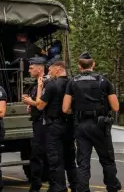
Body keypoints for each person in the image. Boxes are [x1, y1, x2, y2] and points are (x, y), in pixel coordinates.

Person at [62, 51, 122, 192]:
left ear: (79, 66)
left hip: (81, 125)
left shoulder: (72, 82)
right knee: (107, 159)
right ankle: (112, 187)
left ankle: (82, 189)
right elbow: (115, 106)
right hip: (100, 125)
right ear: (93, 64)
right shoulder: (103, 81)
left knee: (83, 163)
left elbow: (65, 108)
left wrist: (77, 111)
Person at [35, 61, 70, 192]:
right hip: (69, 125)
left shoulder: (51, 85)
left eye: (50, 70)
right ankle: (75, 186)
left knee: (54, 158)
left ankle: (58, 187)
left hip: (54, 126)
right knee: (69, 159)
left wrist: (39, 87)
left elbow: (39, 106)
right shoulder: (71, 83)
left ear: (57, 70)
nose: (48, 73)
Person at [22, 57, 48, 192]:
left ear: (39, 69)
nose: (29, 71)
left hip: (44, 124)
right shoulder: (35, 84)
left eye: (31, 68)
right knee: (37, 155)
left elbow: (41, 105)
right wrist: (30, 106)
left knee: (38, 156)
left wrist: (30, 103)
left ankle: (37, 185)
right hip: (38, 122)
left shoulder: (45, 82)